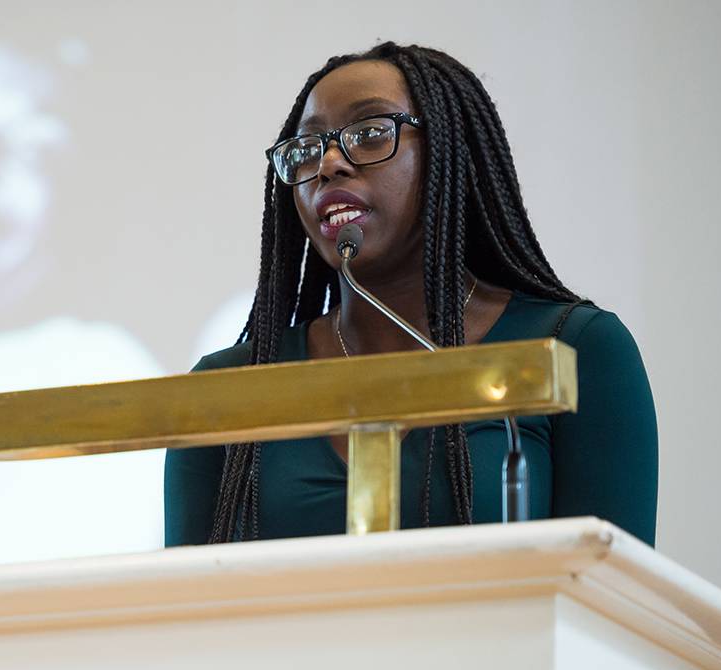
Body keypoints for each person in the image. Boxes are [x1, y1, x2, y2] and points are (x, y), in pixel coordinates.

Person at [165, 42, 657, 548]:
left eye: (372, 133)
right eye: (308, 148)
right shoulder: (224, 391)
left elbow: (613, 600)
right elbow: (186, 613)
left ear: (450, 151)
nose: (330, 162)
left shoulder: (577, 351)